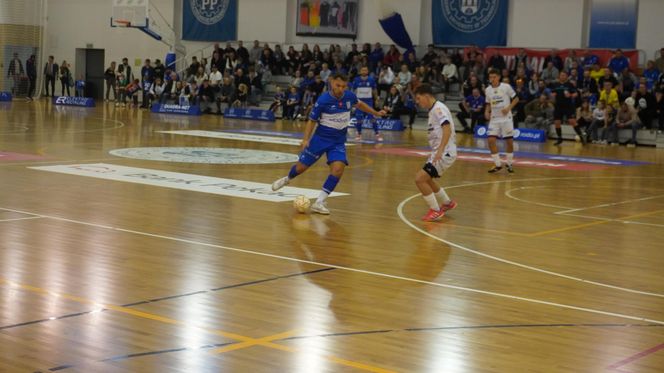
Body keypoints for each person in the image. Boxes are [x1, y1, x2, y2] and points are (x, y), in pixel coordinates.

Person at [271, 73, 386, 215]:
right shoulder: (323, 100)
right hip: (319, 140)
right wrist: (306, 139)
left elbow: (360, 104)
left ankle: (319, 202)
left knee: (338, 169)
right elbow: (312, 120)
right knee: (301, 168)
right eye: (338, 85)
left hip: (338, 141)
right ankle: (287, 178)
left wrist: (375, 112)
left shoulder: (349, 96)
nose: (341, 89)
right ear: (331, 83)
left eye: (344, 86)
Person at [412, 83, 457, 222]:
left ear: (426, 96)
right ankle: (447, 203)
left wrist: (440, 150)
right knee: (428, 179)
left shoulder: (438, 109)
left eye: (419, 98)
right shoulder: (433, 110)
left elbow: (447, 129)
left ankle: (435, 210)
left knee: (419, 179)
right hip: (440, 152)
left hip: (445, 153)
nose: (417, 102)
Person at [484, 68, 519, 173]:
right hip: (494, 119)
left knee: (509, 142)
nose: (492, 79)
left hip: (506, 118)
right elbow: (488, 103)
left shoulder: (506, 87)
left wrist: (508, 108)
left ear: (499, 77)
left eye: (494, 77)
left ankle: (509, 163)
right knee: (490, 141)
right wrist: (487, 111)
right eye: (490, 77)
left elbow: (516, 99)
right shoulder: (487, 90)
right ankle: (498, 164)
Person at [550, 71, 585, 145]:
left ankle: (581, 137)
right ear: (559, 76)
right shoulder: (555, 85)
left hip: (568, 106)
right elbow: (552, 93)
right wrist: (553, 95)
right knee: (557, 122)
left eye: (564, 75)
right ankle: (560, 138)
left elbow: (576, 94)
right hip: (558, 106)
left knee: (572, 121)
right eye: (561, 75)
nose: (562, 76)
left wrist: (570, 95)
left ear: (566, 76)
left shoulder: (570, 84)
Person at [352, 66, 382, 141]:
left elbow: (374, 90)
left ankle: (377, 133)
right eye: (363, 70)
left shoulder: (371, 80)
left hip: (369, 102)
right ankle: (359, 134)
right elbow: (353, 90)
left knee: (372, 118)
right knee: (359, 119)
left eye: (365, 70)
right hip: (359, 102)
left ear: (367, 71)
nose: (364, 71)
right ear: (360, 71)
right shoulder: (356, 80)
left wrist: (376, 99)